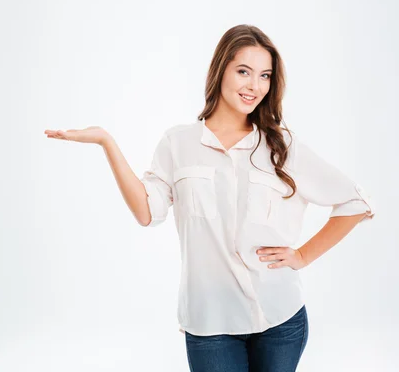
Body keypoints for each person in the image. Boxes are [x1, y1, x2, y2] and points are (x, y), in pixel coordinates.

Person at [44, 24, 376, 372]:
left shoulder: (281, 146)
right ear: (220, 70)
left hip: (280, 317)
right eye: (243, 71)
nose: (254, 85)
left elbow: (355, 202)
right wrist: (106, 142)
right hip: (210, 324)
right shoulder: (178, 143)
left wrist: (303, 256)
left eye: (264, 76)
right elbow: (146, 211)